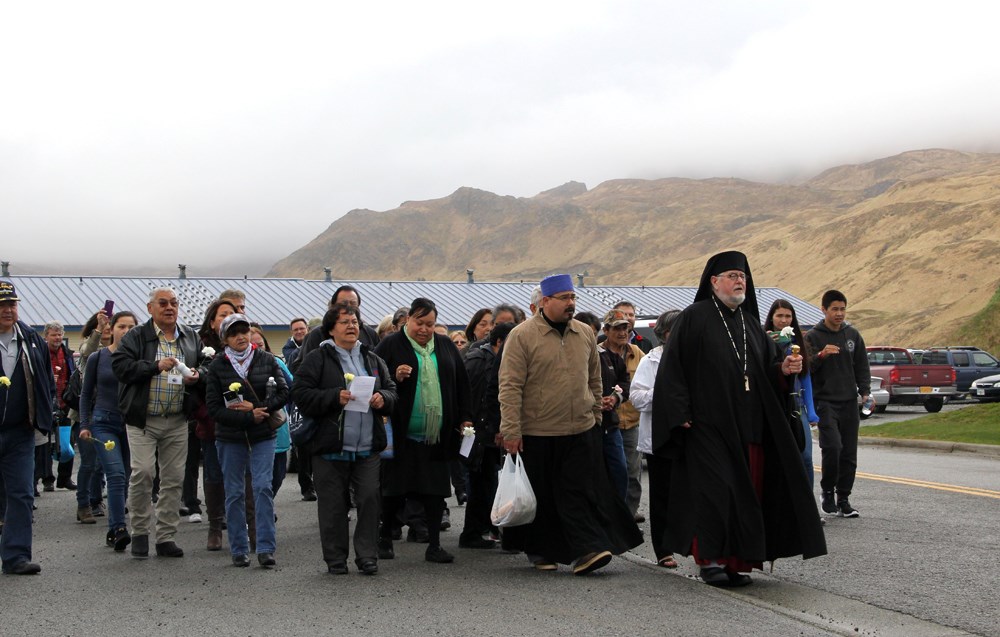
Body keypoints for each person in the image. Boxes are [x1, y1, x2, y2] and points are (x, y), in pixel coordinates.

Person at [651, 251, 826, 587]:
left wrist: (784, 370)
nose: (739, 281)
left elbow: (766, 371)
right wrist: (679, 411)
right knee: (715, 492)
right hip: (707, 424)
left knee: (746, 492)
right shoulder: (694, 317)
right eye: (731, 275)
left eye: (742, 276)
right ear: (714, 282)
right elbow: (673, 369)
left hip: (748, 424)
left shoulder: (749, 324)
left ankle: (737, 560)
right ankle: (711, 559)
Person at [499, 274, 642, 575]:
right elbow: (510, 386)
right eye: (564, 298)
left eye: (573, 297)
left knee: (579, 492)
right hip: (538, 431)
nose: (571, 304)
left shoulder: (584, 333)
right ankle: (540, 550)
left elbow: (594, 378)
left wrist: (596, 416)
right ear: (545, 302)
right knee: (543, 494)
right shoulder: (522, 336)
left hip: (581, 428)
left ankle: (587, 549)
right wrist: (511, 431)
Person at [292, 303, 397, 575]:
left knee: (370, 500)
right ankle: (336, 559)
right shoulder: (317, 358)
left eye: (355, 321)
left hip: (367, 447)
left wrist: (382, 398)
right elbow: (301, 395)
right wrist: (332, 397)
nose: (352, 326)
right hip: (330, 447)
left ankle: (367, 556)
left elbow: (392, 392)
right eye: (344, 322)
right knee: (333, 505)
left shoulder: (372, 359)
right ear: (331, 328)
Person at [374, 298, 473, 565]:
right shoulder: (391, 345)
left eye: (430, 324)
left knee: (435, 492)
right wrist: (395, 377)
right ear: (408, 320)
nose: (425, 329)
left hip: (437, 435)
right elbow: (374, 380)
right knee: (394, 490)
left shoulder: (444, 345)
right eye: (420, 322)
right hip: (401, 433)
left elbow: (461, 384)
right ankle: (384, 537)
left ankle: (434, 546)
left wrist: (465, 418)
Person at [112, 287, 207, 559]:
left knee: (174, 479)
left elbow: (208, 366)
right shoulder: (136, 336)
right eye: (163, 303)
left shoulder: (190, 336)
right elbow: (120, 367)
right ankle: (140, 531)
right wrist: (154, 366)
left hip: (177, 419)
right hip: (143, 419)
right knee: (142, 473)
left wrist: (198, 375)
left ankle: (165, 536)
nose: (169, 308)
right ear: (150, 308)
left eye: (174, 303)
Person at [205, 314, 288, 568]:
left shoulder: (266, 359)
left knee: (262, 487)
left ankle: (265, 547)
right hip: (230, 437)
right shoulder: (217, 366)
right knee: (234, 492)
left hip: (263, 434)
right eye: (233, 333)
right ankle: (239, 549)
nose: (241, 336)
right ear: (224, 339)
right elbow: (213, 408)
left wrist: (259, 407)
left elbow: (285, 392)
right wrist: (246, 418)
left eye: (245, 331)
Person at [0, 281, 55, 575]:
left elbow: (45, 381)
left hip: (20, 431)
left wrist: (46, 420)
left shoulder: (31, 339)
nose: (8, 310)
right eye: (2, 305)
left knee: (22, 493)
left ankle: (16, 556)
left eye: (12, 304)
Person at [805, 290, 871, 519]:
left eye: (842, 309)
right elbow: (807, 368)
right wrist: (822, 355)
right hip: (825, 402)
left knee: (849, 453)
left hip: (848, 401)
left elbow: (862, 366)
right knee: (833, 447)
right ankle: (826, 492)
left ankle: (843, 499)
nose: (839, 313)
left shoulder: (852, 334)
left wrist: (865, 392)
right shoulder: (813, 336)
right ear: (824, 310)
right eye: (835, 309)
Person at [79, 311, 139, 551]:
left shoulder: (138, 358)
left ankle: (114, 528)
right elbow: (85, 394)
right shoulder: (98, 357)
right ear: (111, 329)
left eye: (131, 327)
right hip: (104, 422)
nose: (126, 331)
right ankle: (118, 528)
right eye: (121, 326)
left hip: (132, 424)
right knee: (114, 474)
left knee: (125, 476)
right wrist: (85, 424)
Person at [630, 309, 681, 568]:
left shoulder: (696, 359)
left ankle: (694, 544)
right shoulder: (651, 361)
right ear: (666, 333)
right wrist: (667, 397)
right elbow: (637, 397)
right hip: (661, 438)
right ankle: (664, 550)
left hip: (691, 437)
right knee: (663, 496)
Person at [460, 321, 515, 549]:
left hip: (488, 433)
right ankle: (473, 532)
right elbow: (474, 398)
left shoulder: (490, 360)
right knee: (482, 483)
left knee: (487, 482)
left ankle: (486, 529)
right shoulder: (478, 362)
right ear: (500, 342)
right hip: (479, 434)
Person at [193, 299, 238, 550]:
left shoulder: (244, 344)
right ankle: (215, 525)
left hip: (241, 420)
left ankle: (241, 522)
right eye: (223, 315)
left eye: (232, 314)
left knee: (241, 475)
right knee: (213, 473)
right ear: (212, 321)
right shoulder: (201, 347)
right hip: (211, 421)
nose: (228, 318)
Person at [764, 300, 820, 491]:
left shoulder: (798, 344)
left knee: (805, 456)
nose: (784, 320)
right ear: (771, 317)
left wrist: (811, 411)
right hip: (773, 406)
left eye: (788, 316)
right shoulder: (763, 341)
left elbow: (806, 379)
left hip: (796, 406)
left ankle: (809, 509)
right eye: (779, 315)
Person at [575, 311, 629, 504]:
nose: (590, 337)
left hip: (609, 427)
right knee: (588, 476)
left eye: (593, 333)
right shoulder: (569, 359)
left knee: (619, 472)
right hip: (582, 428)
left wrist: (615, 398)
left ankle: (619, 520)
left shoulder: (608, 357)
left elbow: (624, 382)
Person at [602, 308, 646, 521]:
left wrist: (618, 397)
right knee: (610, 473)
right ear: (606, 330)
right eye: (617, 328)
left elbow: (634, 384)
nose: (622, 332)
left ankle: (627, 518)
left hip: (631, 421)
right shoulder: (596, 353)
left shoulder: (636, 352)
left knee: (631, 473)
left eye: (626, 328)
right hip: (605, 424)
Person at [290, 285, 380, 374]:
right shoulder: (316, 335)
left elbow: (381, 370)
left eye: (353, 304)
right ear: (333, 306)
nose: (348, 307)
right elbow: (302, 371)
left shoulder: (370, 334)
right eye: (343, 304)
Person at [248, 324, 293, 497]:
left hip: (276, 424)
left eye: (261, 345)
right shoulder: (239, 368)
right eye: (254, 346)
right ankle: (256, 511)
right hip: (252, 427)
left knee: (278, 474)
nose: (259, 349)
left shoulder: (276, 362)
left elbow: (291, 388)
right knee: (257, 477)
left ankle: (266, 503)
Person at [44, 321, 77, 492]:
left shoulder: (68, 354)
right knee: (46, 442)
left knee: (67, 442)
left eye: (59, 335)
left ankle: (65, 479)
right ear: (46, 336)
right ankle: (47, 478)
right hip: (46, 402)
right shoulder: (41, 353)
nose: (57, 338)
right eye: (53, 335)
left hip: (65, 403)